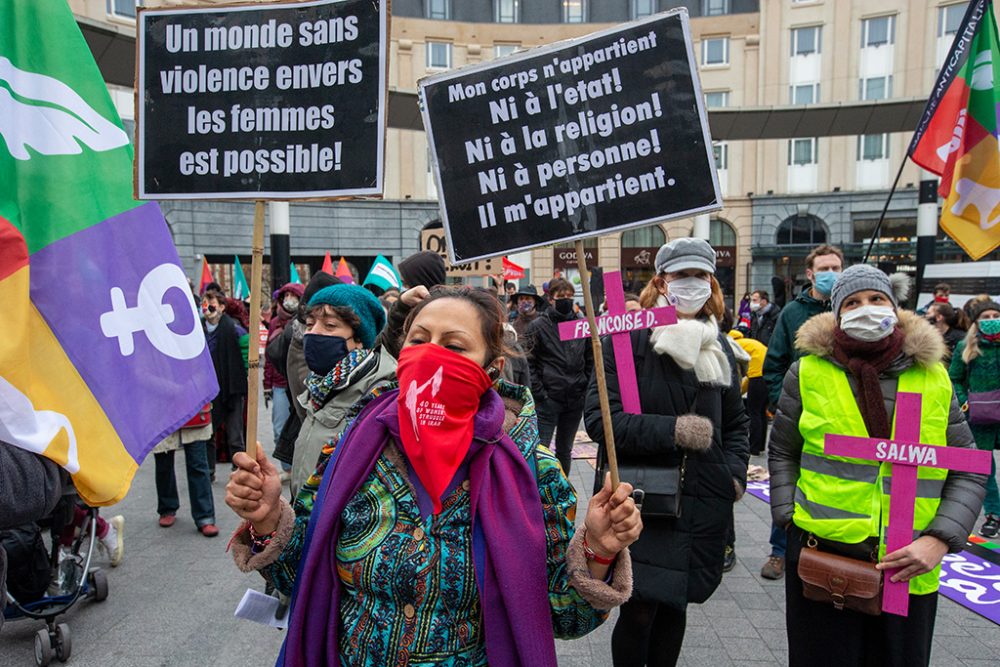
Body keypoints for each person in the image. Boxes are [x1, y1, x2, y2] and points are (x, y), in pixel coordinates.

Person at [226, 287, 642, 666]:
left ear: (491, 368)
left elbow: (563, 616)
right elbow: (304, 576)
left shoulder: (533, 470)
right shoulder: (352, 449)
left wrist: (599, 552)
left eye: (454, 346)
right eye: (419, 340)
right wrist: (268, 519)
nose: (430, 355)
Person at [768, 265, 986, 667]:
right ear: (836, 314)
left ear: (894, 306)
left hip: (909, 566)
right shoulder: (808, 373)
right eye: (852, 303)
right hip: (824, 560)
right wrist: (787, 516)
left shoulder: (932, 376)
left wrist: (939, 540)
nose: (865, 309)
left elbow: (969, 467)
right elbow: (783, 451)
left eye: (876, 299)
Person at [585, 238, 749, 667]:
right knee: (639, 610)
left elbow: (737, 424)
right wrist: (674, 430)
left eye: (700, 276)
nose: (692, 284)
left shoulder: (723, 348)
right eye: (681, 275)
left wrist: (733, 476)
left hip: (703, 499)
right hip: (645, 501)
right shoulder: (629, 340)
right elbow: (603, 421)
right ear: (661, 281)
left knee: (676, 607)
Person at [760, 243, 844, 580]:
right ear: (810, 273)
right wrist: (785, 402)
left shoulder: (851, 308)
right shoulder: (792, 313)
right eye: (824, 269)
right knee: (790, 481)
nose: (831, 274)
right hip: (801, 414)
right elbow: (774, 363)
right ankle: (780, 551)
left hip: (842, 416)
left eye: (836, 268)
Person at [289, 284, 398, 496]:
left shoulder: (379, 395)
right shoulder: (318, 387)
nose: (314, 332)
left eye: (329, 325)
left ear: (359, 338)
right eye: (310, 324)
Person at [524, 278, 593, 474]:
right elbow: (529, 361)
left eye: (569, 297)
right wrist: (540, 393)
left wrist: (584, 387)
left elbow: (590, 359)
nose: (566, 300)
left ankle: (562, 492)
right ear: (550, 299)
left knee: (565, 450)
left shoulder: (582, 325)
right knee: (541, 450)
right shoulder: (538, 326)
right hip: (548, 400)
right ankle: (539, 494)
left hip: (574, 400)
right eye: (561, 296)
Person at [948, 300, 1000, 539]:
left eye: (995, 315)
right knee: (984, 467)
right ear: (976, 322)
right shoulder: (965, 347)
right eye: (986, 316)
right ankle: (994, 514)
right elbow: (954, 378)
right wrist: (964, 400)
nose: (991, 320)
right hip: (980, 417)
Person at [202, 288, 249, 466]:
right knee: (208, 433)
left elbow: (246, 358)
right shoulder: (197, 330)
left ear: (222, 307)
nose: (206, 309)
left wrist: (244, 377)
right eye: (204, 304)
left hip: (231, 388)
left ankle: (239, 470)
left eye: (211, 304)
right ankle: (209, 470)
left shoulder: (235, 330)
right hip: (208, 389)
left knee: (235, 435)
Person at [265, 283, 306, 479]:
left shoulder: (307, 321)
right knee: (279, 427)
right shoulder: (274, 322)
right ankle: (288, 468)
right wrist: (266, 385)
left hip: (299, 383)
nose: (289, 299)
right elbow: (268, 357)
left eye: (293, 296)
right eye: (286, 296)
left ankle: (299, 466)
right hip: (280, 383)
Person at [151, 419, 218, 537]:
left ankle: (205, 516)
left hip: (193, 410)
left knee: (198, 463)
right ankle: (167, 507)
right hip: (162, 410)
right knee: (163, 463)